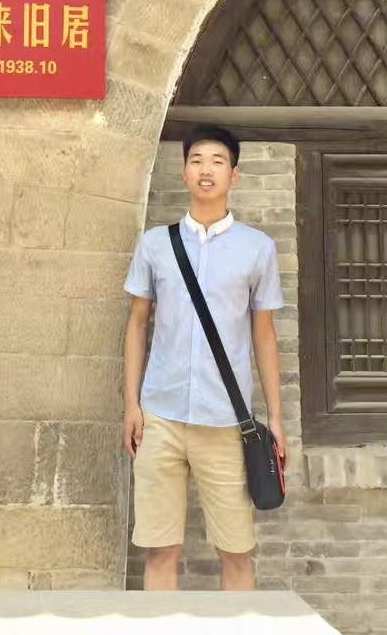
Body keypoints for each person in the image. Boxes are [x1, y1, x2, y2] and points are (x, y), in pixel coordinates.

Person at [123, 124, 286, 592]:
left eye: (217, 160)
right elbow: (137, 324)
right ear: (184, 172)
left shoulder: (258, 248)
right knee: (160, 550)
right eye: (196, 160)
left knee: (237, 552)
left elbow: (264, 336)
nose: (205, 169)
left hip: (225, 421)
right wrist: (131, 405)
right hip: (160, 417)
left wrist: (276, 420)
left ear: (235, 174)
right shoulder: (156, 244)